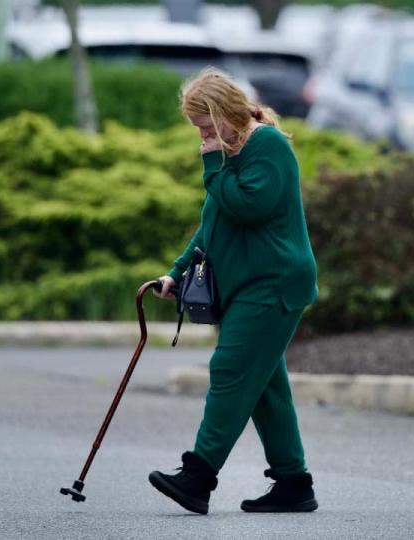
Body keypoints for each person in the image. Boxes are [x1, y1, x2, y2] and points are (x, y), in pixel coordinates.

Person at [147, 67, 320, 515]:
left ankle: (198, 476)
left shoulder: (267, 145)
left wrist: (212, 163)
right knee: (265, 387)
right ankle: (293, 483)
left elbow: (249, 207)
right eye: (198, 131)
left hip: (275, 283)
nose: (202, 137)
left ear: (226, 112)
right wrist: (176, 272)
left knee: (229, 369)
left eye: (206, 127)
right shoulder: (229, 152)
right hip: (249, 286)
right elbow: (214, 223)